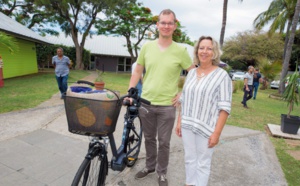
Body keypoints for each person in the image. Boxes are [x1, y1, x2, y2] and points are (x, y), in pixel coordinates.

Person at [129, 9, 194, 186]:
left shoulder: (180, 50)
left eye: (169, 23)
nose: (166, 26)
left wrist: (183, 93)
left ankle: (162, 172)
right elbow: (137, 71)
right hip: (146, 103)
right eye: (163, 22)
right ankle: (150, 166)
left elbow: (194, 73)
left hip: (167, 105)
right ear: (157, 25)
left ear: (174, 26)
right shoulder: (147, 47)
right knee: (149, 138)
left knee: (164, 142)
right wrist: (130, 91)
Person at [175, 36, 232, 186]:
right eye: (201, 48)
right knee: (189, 158)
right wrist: (180, 121)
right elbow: (185, 98)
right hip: (187, 124)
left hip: (206, 128)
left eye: (209, 48)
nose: (204, 51)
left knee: (203, 163)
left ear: (215, 52)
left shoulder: (222, 76)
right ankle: (189, 183)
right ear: (197, 51)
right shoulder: (192, 73)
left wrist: (217, 133)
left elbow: (224, 107)